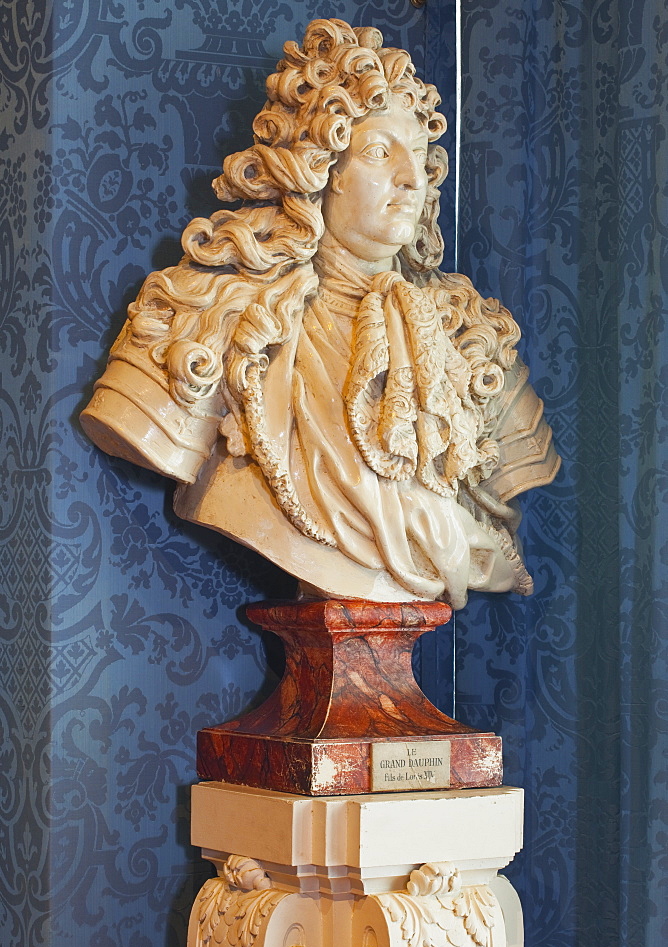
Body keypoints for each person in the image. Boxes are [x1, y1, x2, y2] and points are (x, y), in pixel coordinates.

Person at [81, 18, 559, 610]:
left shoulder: (476, 348)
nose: (410, 180)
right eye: (380, 152)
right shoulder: (209, 322)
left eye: (420, 157)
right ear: (319, 169)